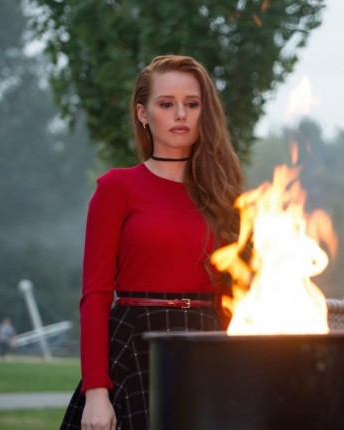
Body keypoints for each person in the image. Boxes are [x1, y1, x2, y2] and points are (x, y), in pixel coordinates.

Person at [61, 55, 243, 430]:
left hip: (210, 345)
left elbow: (239, 295)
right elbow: (95, 297)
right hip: (136, 346)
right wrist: (96, 392)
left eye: (192, 104)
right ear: (143, 114)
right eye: (166, 104)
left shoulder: (226, 197)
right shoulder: (116, 188)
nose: (181, 114)